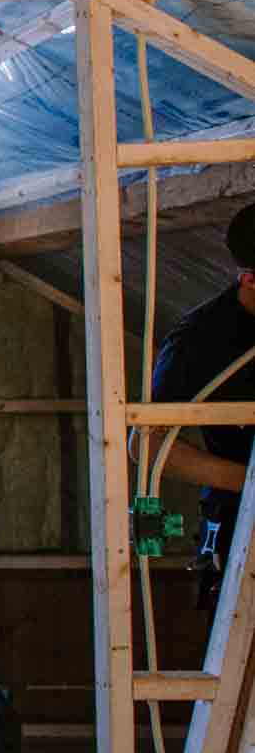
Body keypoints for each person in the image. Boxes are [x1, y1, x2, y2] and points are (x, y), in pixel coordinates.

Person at [145, 204, 255, 608]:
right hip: (240, 526)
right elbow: (148, 446)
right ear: (249, 280)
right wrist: (250, 481)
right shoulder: (200, 341)